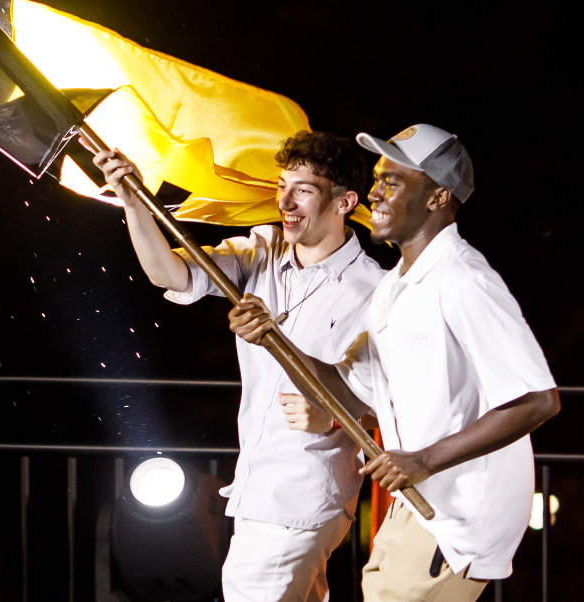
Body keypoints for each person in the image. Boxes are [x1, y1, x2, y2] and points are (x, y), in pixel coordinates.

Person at [229, 124, 560, 602]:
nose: (375, 194)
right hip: (419, 502)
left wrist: (422, 460)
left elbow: (537, 400)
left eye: (393, 182)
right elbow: (346, 389)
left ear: (437, 197)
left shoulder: (463, 281)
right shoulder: (395, 287)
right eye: (378, 179)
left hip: (460, 514)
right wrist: (273, 338)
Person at [93, 130, 384, 602]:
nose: (285, 202)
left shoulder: (377, 291)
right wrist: (132, 201)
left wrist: (332, 414)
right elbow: (168, 273)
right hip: (255, 487)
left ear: (345, 201)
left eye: (304, 190)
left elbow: (389, 396)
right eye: (281, 185)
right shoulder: (261, 250)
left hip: (302, 497)